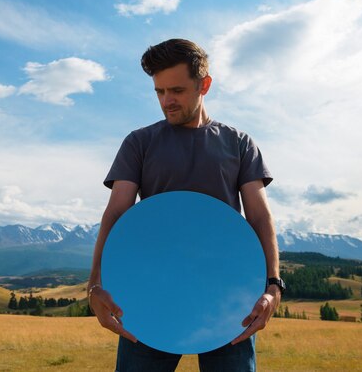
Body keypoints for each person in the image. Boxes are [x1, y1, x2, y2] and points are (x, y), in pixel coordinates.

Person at [87, 38, 284, 371]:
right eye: (159, 92)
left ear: (204, 85)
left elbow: (260, 218)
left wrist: (273, 285)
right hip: (150, 298)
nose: (167, 101)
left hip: (229, 300)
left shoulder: (238, 143)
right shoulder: (140, 142)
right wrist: (95, 284)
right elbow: (116, 213)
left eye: (176, 90)